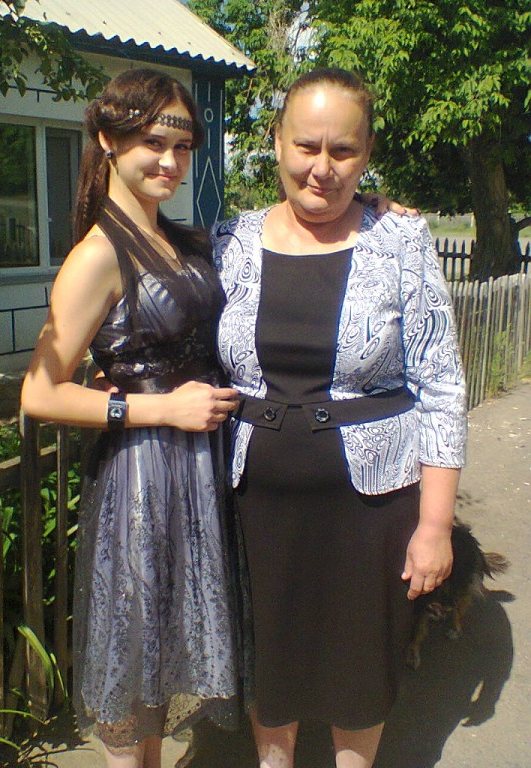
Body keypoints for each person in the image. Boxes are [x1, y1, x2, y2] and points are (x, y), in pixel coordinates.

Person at [212, 67, 467, 768]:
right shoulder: (229, 238)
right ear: (277, 142)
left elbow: (441, 385)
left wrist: (436, 526)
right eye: (306, 146)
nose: (322, 168)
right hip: (254, 501)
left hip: (372, 505)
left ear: (367, 152)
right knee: (270, 657)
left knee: (360, 662)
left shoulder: (401, 240)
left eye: (343, 150)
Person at [21, 68, 242, 768]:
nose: (171, 161)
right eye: (153, 142)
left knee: (166, 659)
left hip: (197, 472)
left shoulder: (178, 237)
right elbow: (40, 393)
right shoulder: (97, 256)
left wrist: (367, 204)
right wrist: (163, 407)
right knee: (137, 658)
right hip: (142, 481)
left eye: (183, 147)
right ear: (108, 141)